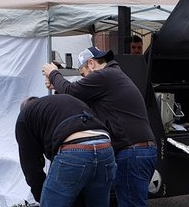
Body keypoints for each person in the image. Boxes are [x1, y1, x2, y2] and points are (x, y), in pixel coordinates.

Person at [42, 46, 156, 207]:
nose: (84, 80)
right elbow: (74, 96)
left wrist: (53, 73)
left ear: (91, 64)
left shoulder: (105, 75)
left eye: (83, 75)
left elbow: (72, 90)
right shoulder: (111, 78)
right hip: (138, 151)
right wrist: (56, 86)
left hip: (132, 153)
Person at [15, 94, 117, 207]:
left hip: (75, 149)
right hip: (105, 147)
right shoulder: (58, 105)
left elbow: (31, 167)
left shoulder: (24, 118)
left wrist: (42, 197)